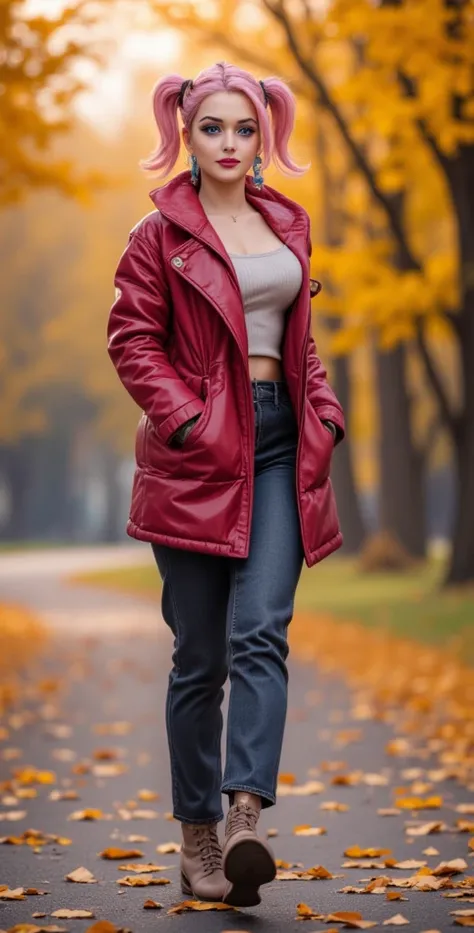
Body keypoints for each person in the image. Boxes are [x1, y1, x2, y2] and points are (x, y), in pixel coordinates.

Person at [107, 60, 345, 909]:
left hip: (280, 442)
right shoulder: (157, 235)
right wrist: (187, 422)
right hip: (195, 454)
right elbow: (132, 337)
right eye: (214, 128)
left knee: (262, 631)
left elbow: (301, 337)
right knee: (199, 658)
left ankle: (246, 816)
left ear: (264, 134)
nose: (232, 144)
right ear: (185, 132)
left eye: (246, 128)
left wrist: (322, 407)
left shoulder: (289, 223)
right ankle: (197, 834)